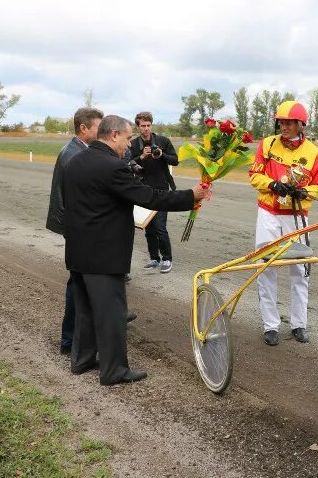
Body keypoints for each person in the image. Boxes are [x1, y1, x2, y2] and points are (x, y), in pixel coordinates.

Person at [62, 115, 209, 385]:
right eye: (128, 138)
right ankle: (114, 370)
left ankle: (81, 360)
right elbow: (150, 197)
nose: (129, 144)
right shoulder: (111, 167)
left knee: (85, 311)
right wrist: (191, 196)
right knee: (112, 314)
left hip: (78, 250)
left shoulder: (75, 160)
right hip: (103, 255)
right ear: (114, 135)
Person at [248, 100, 318, 346]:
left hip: (296, 217)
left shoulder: (314, 153)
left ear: (301, 125)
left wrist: (304, 192)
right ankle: (270, 325)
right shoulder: (267, 145)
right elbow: (254, 175)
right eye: (281, 121)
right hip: (268, 213)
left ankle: (299, 324)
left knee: (300, 270)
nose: (284, 126)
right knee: (266, 268)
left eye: (290, 122)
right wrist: (272, 184)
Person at [46, 107, 102, 355]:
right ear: (84, 128)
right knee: (77, 286)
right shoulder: (73, 155)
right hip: (78, 229)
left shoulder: (79, 151)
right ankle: (70, 340)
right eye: (99, 127)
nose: (102, 132)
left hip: (76, 226)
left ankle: (75, 339)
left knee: (80, 284)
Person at [129, 111, 179, 273]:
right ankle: (154, 258)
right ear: (137, 126)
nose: (146, 129)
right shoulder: (134, 144)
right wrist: (142, 157)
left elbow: (175, 161)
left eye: (148, 125)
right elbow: (128, 163)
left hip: (162, 189)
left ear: (151, 125)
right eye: (142, 126)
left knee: (160, 227)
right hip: (142, 189)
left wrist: (162, 154)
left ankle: (167, 259)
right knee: (148, 227)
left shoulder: (163, 141)